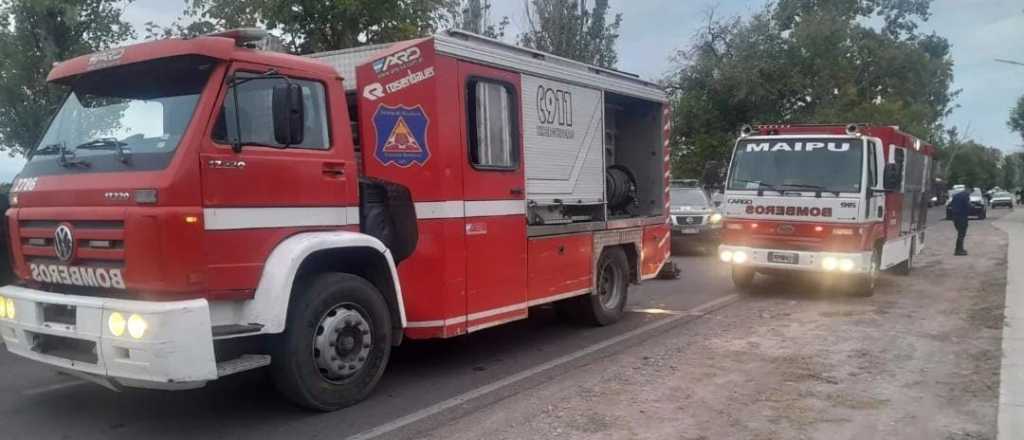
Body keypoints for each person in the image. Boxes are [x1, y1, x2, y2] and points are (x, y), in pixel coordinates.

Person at [949, 185, 971, 256]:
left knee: (960, 233)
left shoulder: (956, 195)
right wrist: (971, 208)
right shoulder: (965, 196)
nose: (970, 193)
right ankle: (958, 250)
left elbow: (951, 205)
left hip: (955, 217)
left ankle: (960, 249)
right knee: (961, 234)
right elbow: (967, 206)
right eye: (970, 192)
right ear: (968, 189)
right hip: (962, 217)